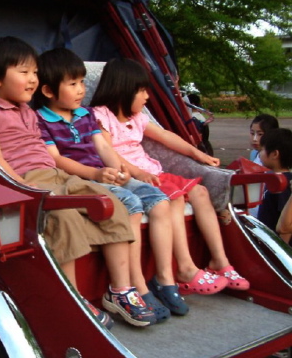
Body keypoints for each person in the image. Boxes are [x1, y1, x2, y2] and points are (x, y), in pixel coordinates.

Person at [0, 36, 156, 328]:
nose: (33, 79)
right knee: (65, 216)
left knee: (112, 202)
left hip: (58, 176)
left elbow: (45, 152)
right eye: (24, 72)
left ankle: (120, 290)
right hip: (28, 179)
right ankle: (73, 298)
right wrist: (21, 187)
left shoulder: (27, 111)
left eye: (34, 72)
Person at [33, 48, 187, 320]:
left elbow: (103, 147)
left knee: (158, 199)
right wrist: (95, 175)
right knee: (131, 203)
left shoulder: (85, 115)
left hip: (104, 173)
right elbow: (56, 160)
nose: (81, 89)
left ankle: (162, 279)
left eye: (81, 82)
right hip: (80, 179)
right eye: (73, 84)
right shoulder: (41, 119)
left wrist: (121, 170)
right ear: (47, 90)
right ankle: (129, 286)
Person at [90, 58, 250, 295]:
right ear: (123, 88)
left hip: (154, 173)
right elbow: (108, 153)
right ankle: (186, 268)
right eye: (142, 90)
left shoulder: (138, 118)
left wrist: (198, 153)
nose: (147, 97)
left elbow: (166, 137)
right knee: (175, 198)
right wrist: (138, 173)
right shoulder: (100, 116)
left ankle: (220, 260)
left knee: (201, 191)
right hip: (137, 178)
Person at [257, 128, 292, 235]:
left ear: (274, 154)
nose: (259, 154)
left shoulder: (282, 184)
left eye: (262, 149)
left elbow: (285, 228)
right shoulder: (272, 179)